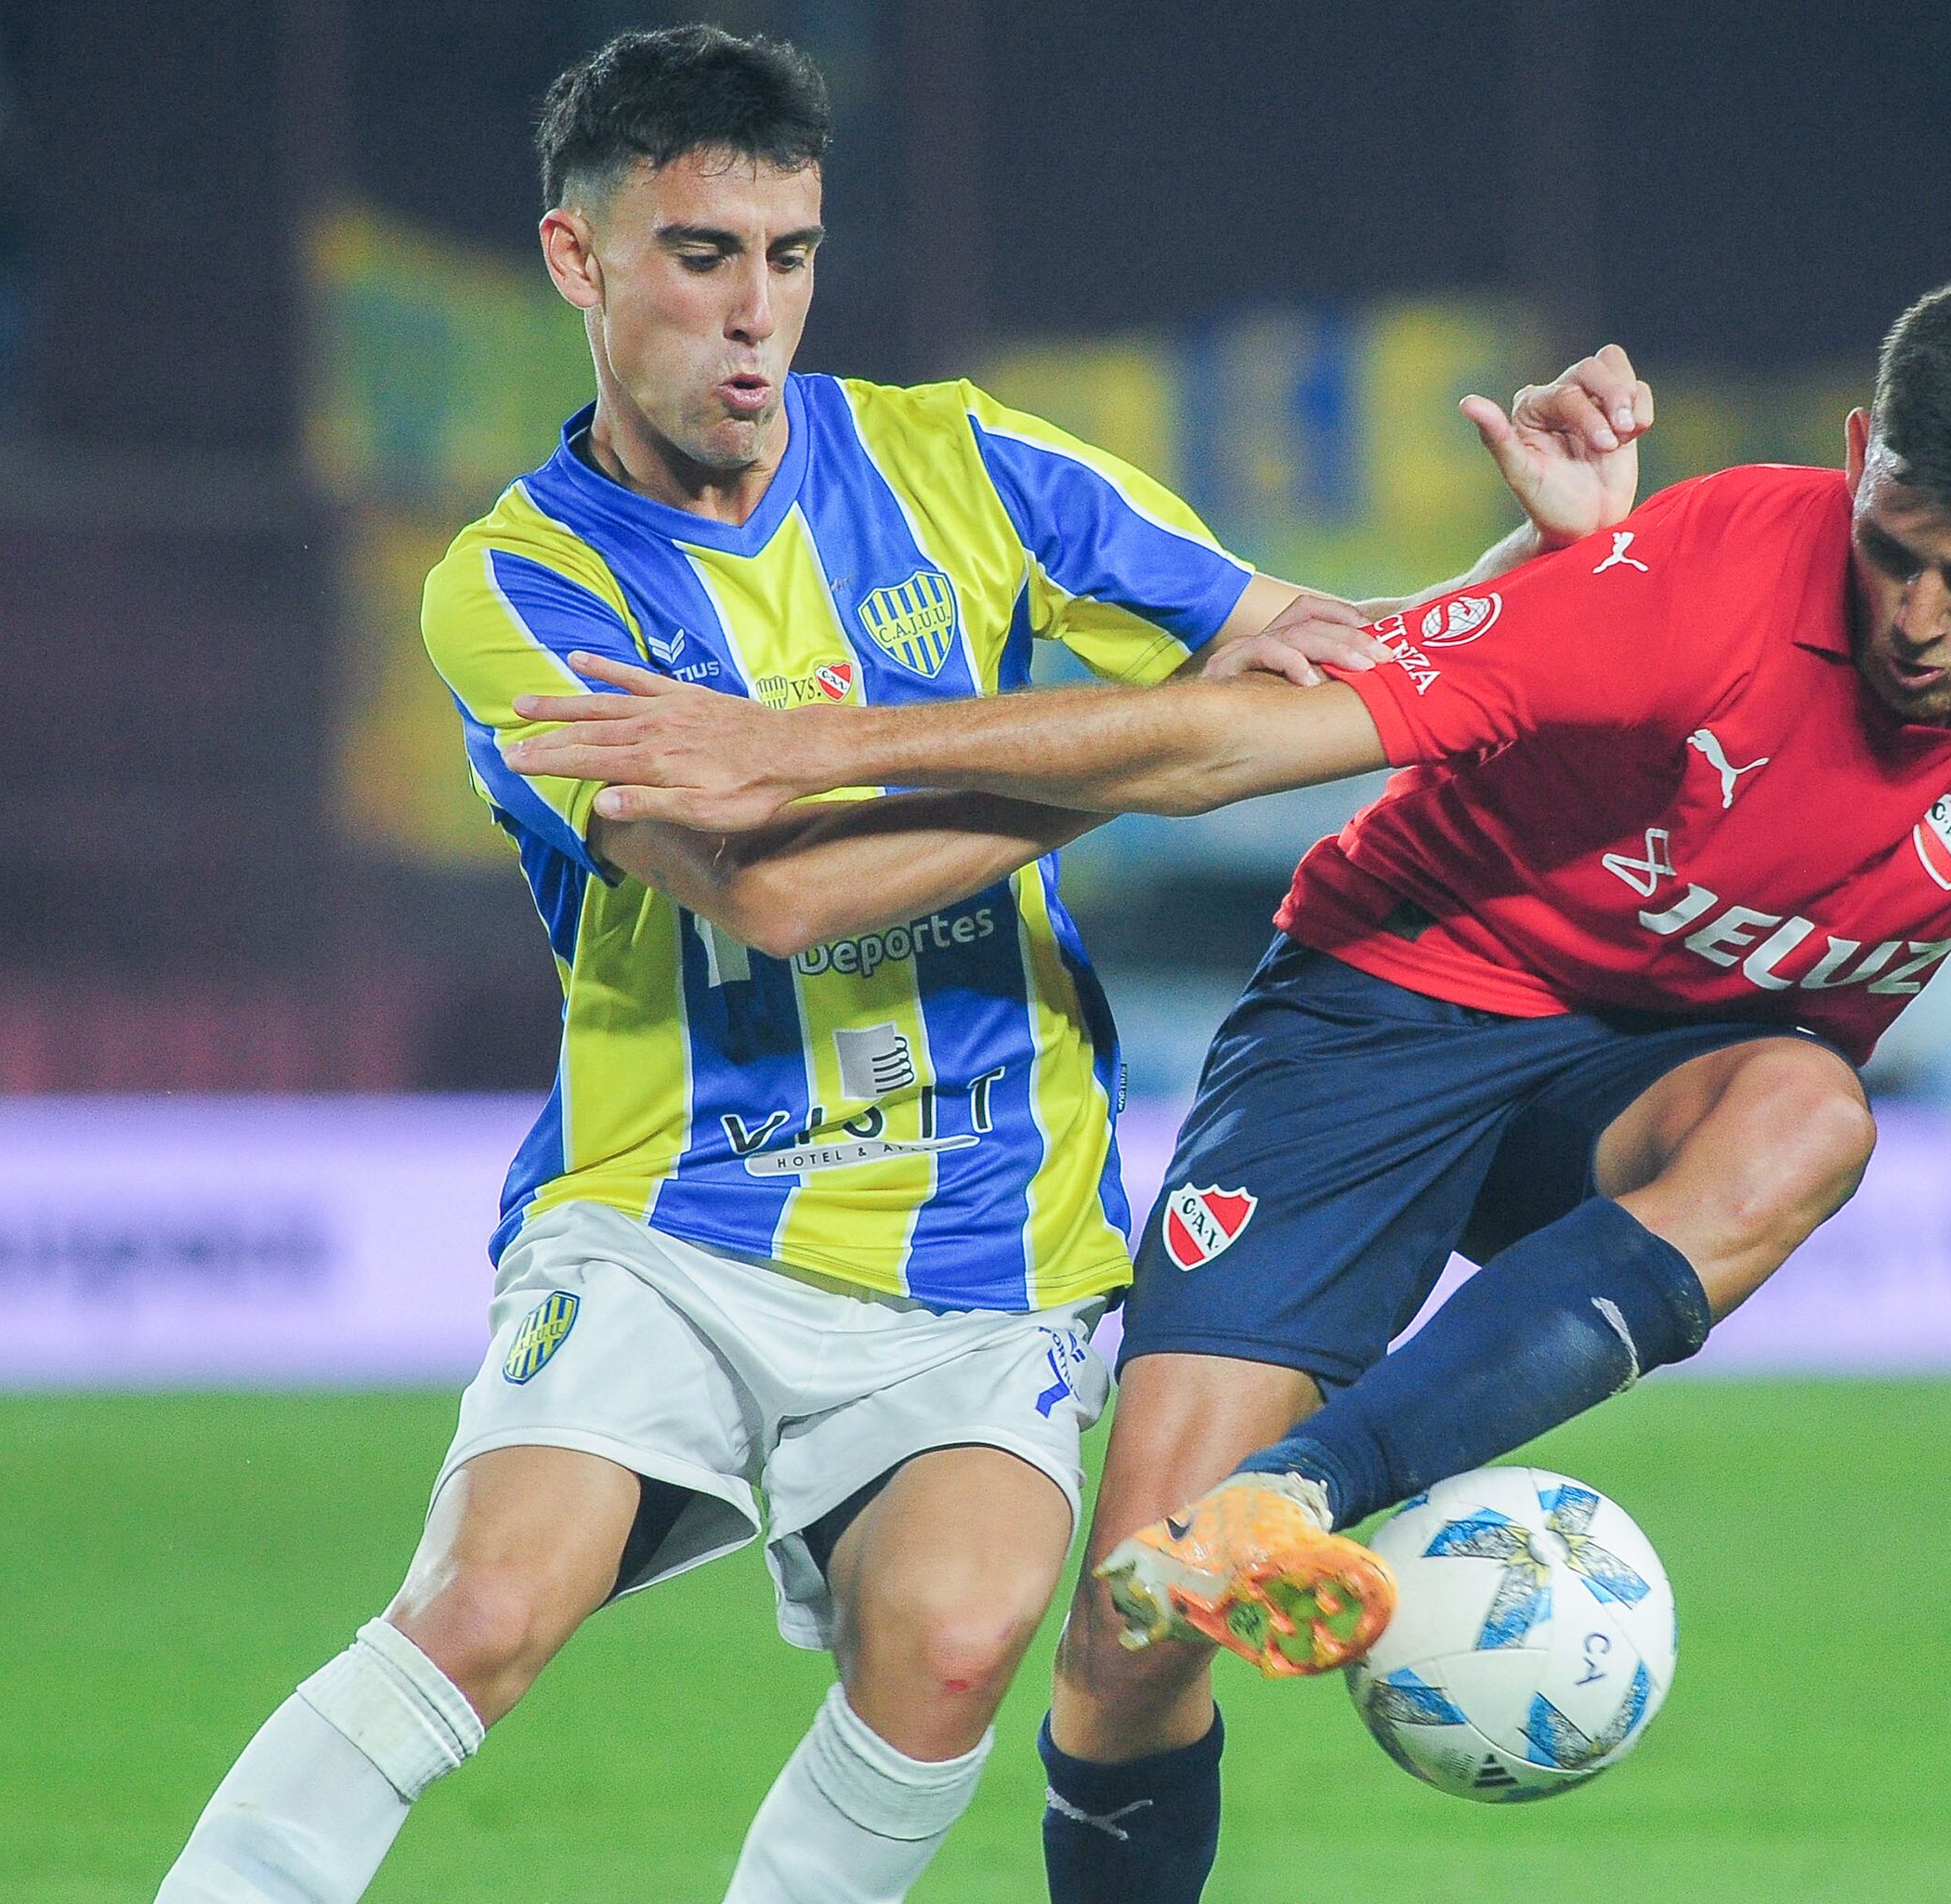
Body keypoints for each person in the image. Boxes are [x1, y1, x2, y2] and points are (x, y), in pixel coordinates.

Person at [505, 272, 1951, 1903]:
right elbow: (1232, 733)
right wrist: (797, 750)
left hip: (1652, 1088)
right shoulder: (1687, 578)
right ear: (1861, 454)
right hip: (1389, 1008)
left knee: (1810, 1111)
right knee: (1133, 1629)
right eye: (1894, 550)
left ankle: (1306, 1484)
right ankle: (1236, 1539)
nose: (1920, 620)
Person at [155, 23, 1650, 1904]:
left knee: (948, 1646)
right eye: (701, 255)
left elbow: (1320, 664)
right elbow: (769, 894)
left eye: (789, 255)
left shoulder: (962, 463)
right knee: (489, 1603)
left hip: (988, 1235)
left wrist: (1539, 565)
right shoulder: (518, 583)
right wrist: (1138, 752)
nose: (753, 314)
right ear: (577, 259)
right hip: (671, 1216)